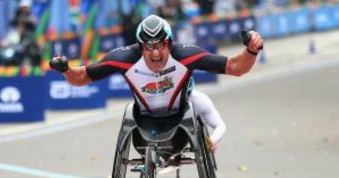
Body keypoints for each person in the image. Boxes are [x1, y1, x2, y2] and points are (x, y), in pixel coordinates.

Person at [49, 14, 263, 151]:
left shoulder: (185, 55)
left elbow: (236, 67)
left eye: (161, 45)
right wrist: (66, 69)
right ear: (140, 47)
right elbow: (82, 77)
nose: (156, 53)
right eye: (149, 46)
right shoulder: (123, 58)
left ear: (169, 43)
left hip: (180, 123)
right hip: (143, 124)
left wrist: (251, 49)